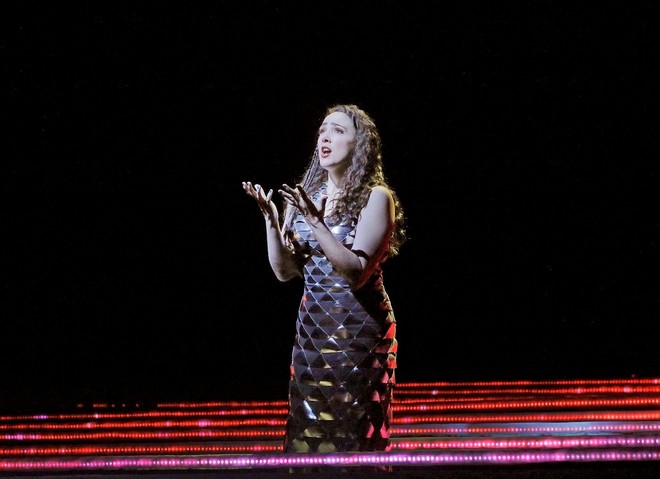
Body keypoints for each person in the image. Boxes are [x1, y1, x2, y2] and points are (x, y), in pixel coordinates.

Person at [242, 104, 406, 456]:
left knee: (355, 432)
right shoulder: (306, 198)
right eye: (322, 131)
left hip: (360, 332)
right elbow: (285, 273)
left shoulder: (376, 198)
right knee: (308, 434)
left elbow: (355, 273)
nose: (325, 137)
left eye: (338, 130)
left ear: (359, 144)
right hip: (313, 331)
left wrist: (316, 223)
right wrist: (272, 222)